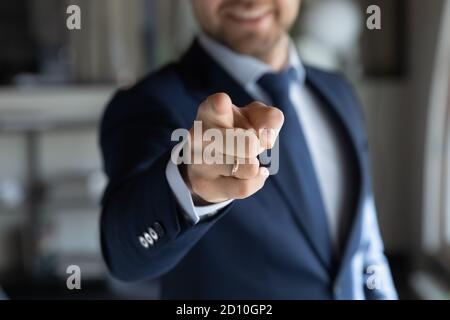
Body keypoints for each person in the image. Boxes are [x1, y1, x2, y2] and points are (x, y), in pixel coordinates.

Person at [100, 0, 397, 299]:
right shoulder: (147, 103)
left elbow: (366, 241)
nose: (250, 2)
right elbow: (124, 253)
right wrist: (189, 186)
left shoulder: (339, 92)